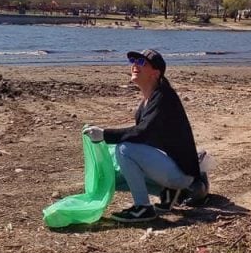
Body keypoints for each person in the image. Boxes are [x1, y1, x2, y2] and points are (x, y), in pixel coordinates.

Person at [83, 49, 208, 223]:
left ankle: (143, 208)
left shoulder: (163, 97)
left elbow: (142, 132)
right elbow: (144, 137)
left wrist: (104, 134)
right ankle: (169, 192)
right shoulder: (148, 101)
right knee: (117, 170)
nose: (134, 65)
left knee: (125, 149)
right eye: (133, 61)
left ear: (155, 73)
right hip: (175, 169)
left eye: (141, 62)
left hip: (180, 173)